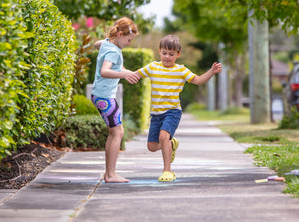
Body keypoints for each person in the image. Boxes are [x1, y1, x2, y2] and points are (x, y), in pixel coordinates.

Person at [133, 34, 222, 182]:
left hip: (172, 111)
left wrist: (211, 71)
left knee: (163, 137)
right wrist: (121, 71)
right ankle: (171, 144)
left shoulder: (181, 70)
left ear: (178, 54)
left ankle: (167, 171)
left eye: (171, 54)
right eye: (164, 53)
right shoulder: (153, 67)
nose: (167, 57)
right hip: (156, 113)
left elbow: (198, 80)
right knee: (152, 146)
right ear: (159, 51)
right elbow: (135, 75)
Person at [91, 17, 140, 183]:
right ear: (119, 34)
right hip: (105, 96)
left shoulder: (107, 44)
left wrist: (123, 69)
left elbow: (97, 44)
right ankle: (111, 175)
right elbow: (105, 71)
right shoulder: (113, 51)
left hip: (99, 95)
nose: (129, 43)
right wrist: (123, 74)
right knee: (117, 133)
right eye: (128, 39)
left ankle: (109, 173)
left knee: (115, 133)